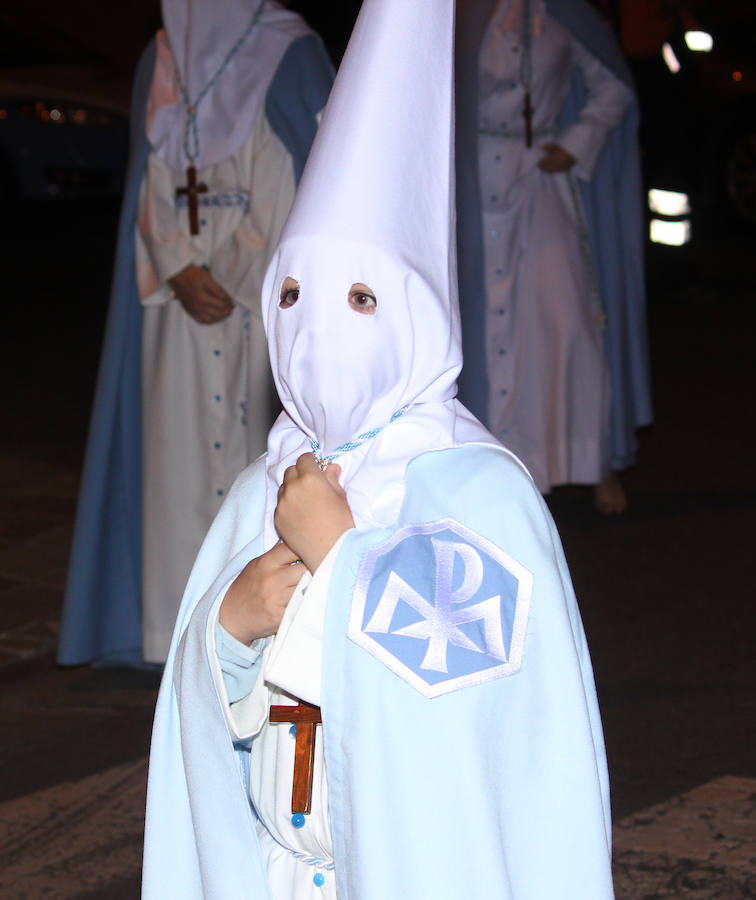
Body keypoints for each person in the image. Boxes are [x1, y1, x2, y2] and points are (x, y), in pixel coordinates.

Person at [143, 0, 615, 897]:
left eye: (360, 300)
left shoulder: (478, 493)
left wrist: (343, 558)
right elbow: (204, 737)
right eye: (290, 296)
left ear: (415, 311)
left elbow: (467, 735)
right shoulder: (264, 486)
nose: (317, 332)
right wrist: (229, 631)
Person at [57, 0, 333, 666]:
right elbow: (151, 175)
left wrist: (232, 273)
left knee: (255, 463)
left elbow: (297, 182)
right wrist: (177, 265)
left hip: (256, 305)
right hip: (177, 311)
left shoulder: (287, 52)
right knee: (173, 466)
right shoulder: (164, 59)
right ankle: (175, 635)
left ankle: (264, 631)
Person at [455, 0, 653, 514]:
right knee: (486, 329)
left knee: (566, 324)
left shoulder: (562, 12)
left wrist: (575, 141)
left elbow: (613, 86)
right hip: (472, 184)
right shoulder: (459, 13)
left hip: (540, 182)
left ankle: (590, 459)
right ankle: (494, 463)